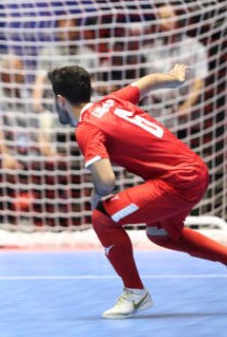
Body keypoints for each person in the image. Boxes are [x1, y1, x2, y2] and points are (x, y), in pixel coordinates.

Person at [48, 64, 227, 319]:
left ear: (60, 100)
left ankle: (135, 293)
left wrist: (96, 197)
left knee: (102, 217)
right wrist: (175, 79)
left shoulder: (87, 127)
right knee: (163, 235)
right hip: (194, 171)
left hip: (177, 181)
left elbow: (106, 181)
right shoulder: (111, 101)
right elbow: (150, 81)